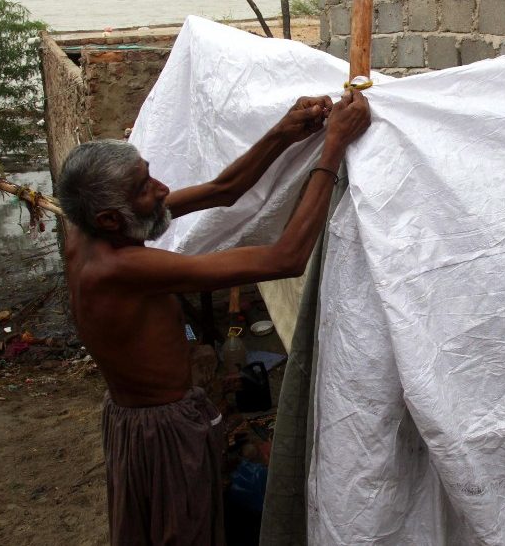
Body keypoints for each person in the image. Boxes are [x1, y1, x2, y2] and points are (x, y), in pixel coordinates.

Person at [55, 89, 371, 545]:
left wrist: (282, 131)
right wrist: (334, 147)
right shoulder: (120, 268)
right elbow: (286, 258)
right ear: (108, 218)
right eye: (145, 187)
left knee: (156, 524)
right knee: (183, 528)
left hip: (134, 420)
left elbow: (224, 191)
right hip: (162, 429)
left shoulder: (89, 231)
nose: (161, 189)